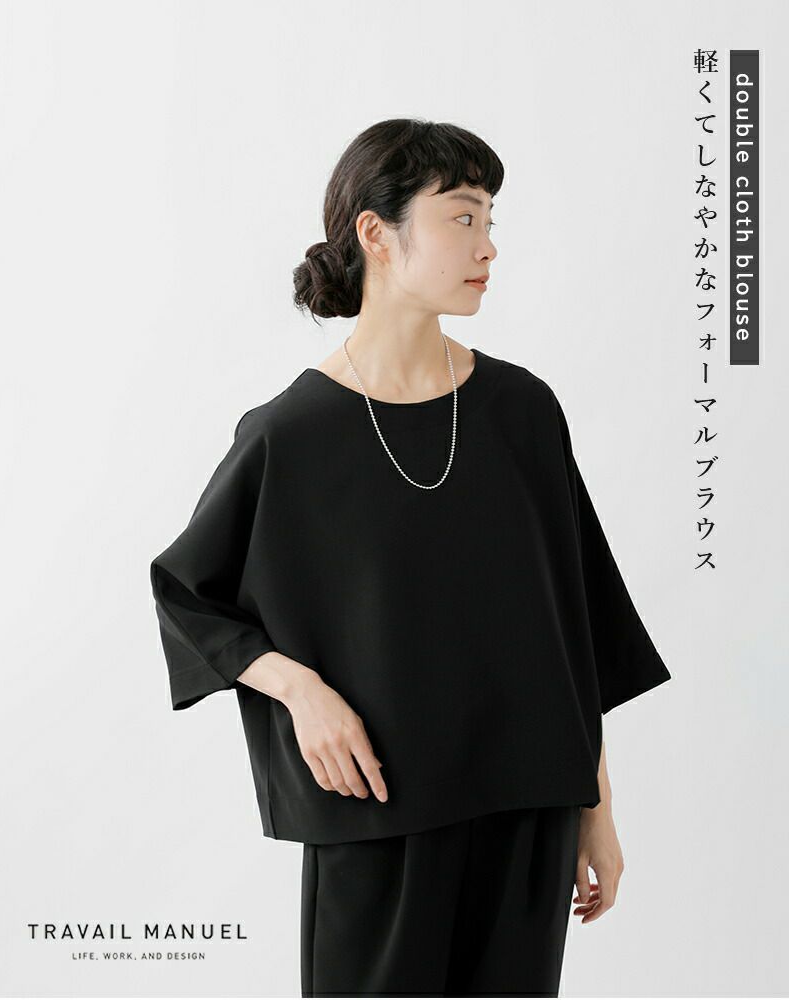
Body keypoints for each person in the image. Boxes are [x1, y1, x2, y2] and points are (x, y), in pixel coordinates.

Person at [150, 118, 672, 997]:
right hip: (377, 818)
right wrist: (300, 691)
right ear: (376, 232)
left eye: (491, 220)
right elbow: (187, 594)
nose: (488, 246)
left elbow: (573, 628)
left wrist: (597, 806)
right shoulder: (291, 434)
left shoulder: (522, 411)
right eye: (463, 217)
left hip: (529, 816)